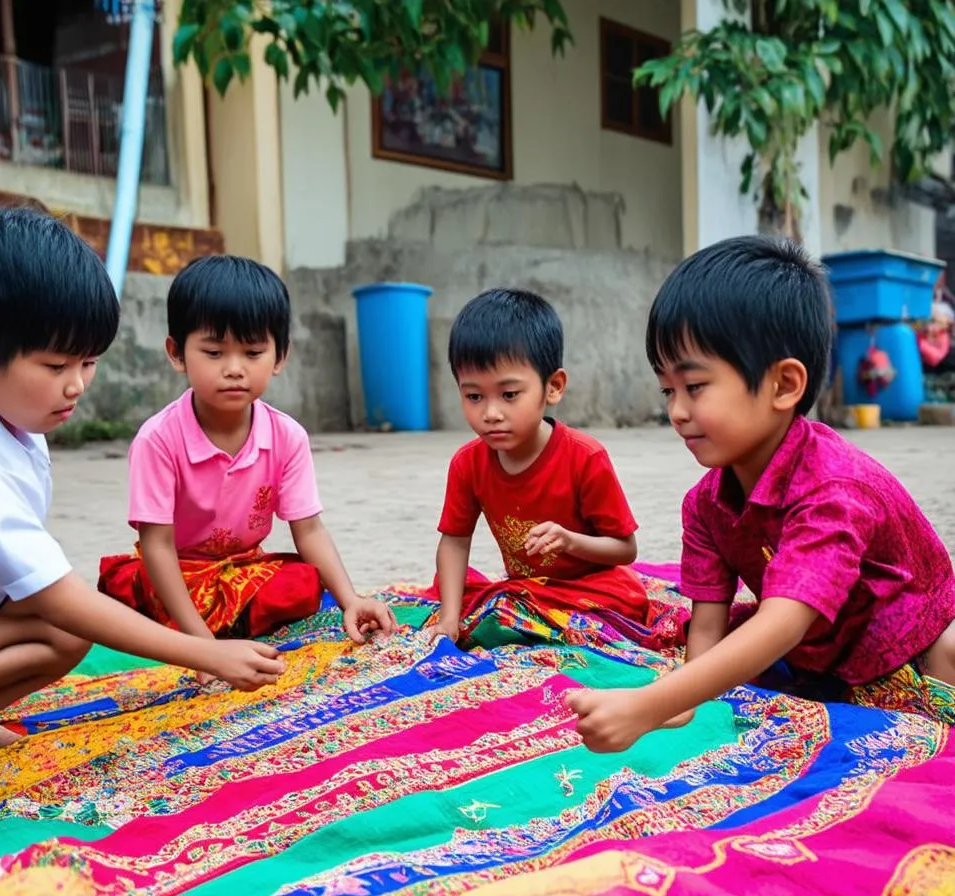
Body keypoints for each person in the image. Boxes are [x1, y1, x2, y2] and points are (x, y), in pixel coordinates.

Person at [0, 208, 285, 813]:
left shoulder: (9, 425)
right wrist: (206, 652)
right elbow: (60, 598)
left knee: (54, 615)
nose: (78, 385)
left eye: (88, 363)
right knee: (68, 627)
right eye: (56, 366)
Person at [569, 236, 955, 753]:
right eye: (668, 390)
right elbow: (705, 626)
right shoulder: (705, 504)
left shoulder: (833, 489)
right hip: (823, 650)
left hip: (907, 641)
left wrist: (647, 705)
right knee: (735, 648)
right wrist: (680, 703)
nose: (677, 411)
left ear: (783, 385)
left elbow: (781, 623)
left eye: (696, 386)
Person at [98, 255, 394, 667]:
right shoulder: (159, 439)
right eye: (214, 352)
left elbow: (307, 529)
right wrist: (201, 648)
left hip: (242, 570)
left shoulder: (287, 436)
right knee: (131, 591)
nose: (235, 369)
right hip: (177, 572)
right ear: (176, 353)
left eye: (253, 352)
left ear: (279, 356)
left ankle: (218, 625)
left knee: (302, 584)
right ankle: (197, 630)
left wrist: (350, 599)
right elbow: (157, 545)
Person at [431, 288, 648, 644]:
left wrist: (569, 542)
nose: (491, 413)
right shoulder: (467, 464)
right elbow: (454, 542)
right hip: (527, 593)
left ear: (554, 387)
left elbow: (625, 550)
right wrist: (449, 619)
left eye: (509, 394)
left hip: (590, 588)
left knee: (624, 599)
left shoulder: (585, 457)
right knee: (456, 589)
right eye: (474, 396)